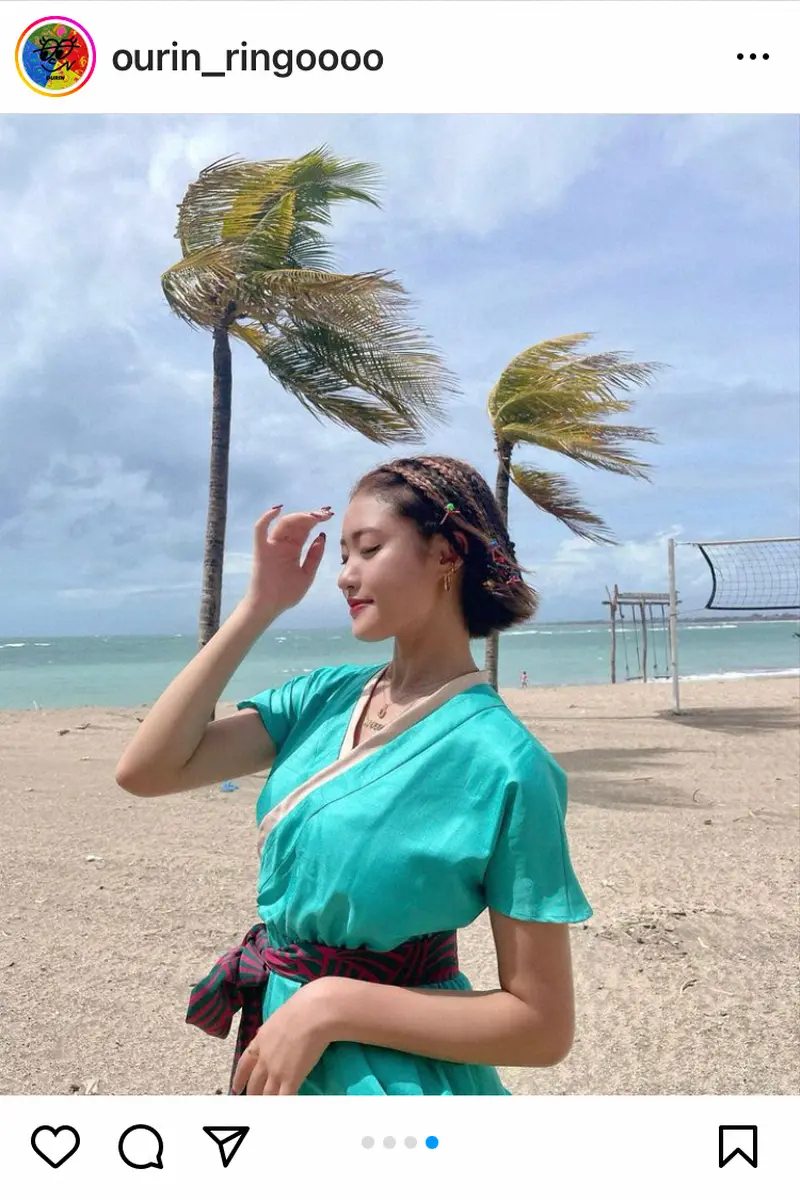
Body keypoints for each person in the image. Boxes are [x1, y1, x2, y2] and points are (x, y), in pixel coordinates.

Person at [116, 454, 592, 1096]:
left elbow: (541, 1026)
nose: (344, 575)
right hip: (278, 1057)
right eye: (342, 555)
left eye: (368, 549)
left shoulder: (508, 763)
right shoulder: (323, 698)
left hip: (398, 1086)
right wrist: (258, 606)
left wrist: (331, 1004)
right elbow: (147, 770)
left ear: (447, 553)